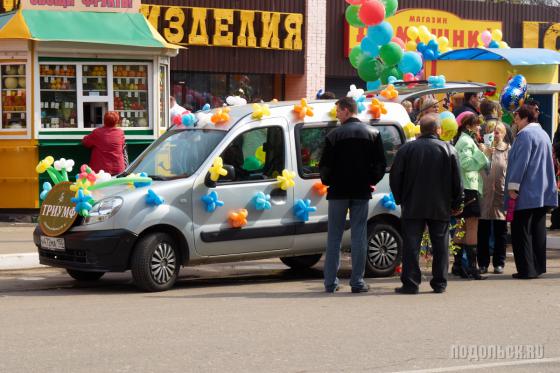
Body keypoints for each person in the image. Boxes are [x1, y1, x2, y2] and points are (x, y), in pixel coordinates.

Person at [390, 113, 463, 294]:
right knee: (440, 244)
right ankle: (439, 282)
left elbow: (395, 177)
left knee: (411, 244)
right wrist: (456, 202)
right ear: (437, 130)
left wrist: (400, 198)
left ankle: (411, 283)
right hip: (440, 204)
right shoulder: (448, 149)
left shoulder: (407, 150)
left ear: (420, 130)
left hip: (413, 203)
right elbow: (457, 181)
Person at [319, 97, 386, 293]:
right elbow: (381, 164)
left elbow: (324, 166)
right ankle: (357, 282)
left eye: (339, 111)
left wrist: (329, 181)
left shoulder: (333, 136)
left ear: (347, 110)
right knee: (359, 236)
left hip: (338, 191)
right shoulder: (373, 134)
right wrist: (370, 180)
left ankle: (330, 283)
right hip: (361, 190)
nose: (337, 115)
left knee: (334, 237)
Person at [505, 104, 558, 279]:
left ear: (525, 118)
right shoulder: (543, 134)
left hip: (526, 191)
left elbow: (521, 162)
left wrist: (513, 187)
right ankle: (537, 266)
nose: (515, 122)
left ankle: (526, 269)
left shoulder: (525, 135)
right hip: (542, 191)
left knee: (522, 231)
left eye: (517, 118)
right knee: (538, 230)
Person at [452, 113, 489, 280]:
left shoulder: (462, 140)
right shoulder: (466, 141)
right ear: (468, 126)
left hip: (463, 188)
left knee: (461, 226)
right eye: (476, 124)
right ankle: (472, 267)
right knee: (472, 226)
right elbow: (466, 164)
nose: (479, 127)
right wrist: (482, 153)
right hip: (469, 188)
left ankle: (458, 265)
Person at [477, 122, 510, 274]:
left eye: (498, 131)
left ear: (503, 133)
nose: (495, 134)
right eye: (492, 131)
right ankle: (482, 263)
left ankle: (499, 263)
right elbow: (477, 168)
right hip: (484, 195)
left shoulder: (508, 150)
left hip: (500, 195)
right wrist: (486, 153)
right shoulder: (482, 149)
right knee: (482, 231)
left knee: (500, 232)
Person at [82, 111, 126, 176]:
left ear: (104, 120)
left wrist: (86, 137)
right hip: (118, 170)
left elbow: (86, 143)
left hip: (101, 172)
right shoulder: (120, 132)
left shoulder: (97, 132)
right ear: (116, 121)